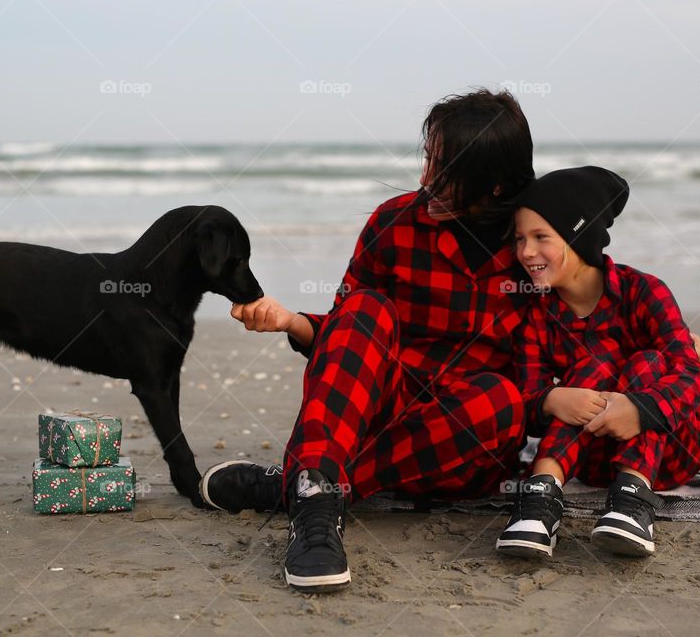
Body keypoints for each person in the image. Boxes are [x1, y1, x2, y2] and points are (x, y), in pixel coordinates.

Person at [201, 89, 538, 592]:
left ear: (494, 184)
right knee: (365, 307)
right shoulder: (395, 222)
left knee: (504, 400)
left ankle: (299, 485)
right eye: (428, 159)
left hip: (462, 443)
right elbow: (347, 337)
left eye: (445, 170)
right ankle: (316, 512)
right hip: (377, 410)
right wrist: (292, 322)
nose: (427, 180)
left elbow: (580, 330)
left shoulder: (536, 248)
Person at [495, 166, 700, 559]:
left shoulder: (643, 291)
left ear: (579, 235)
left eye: (542, 237)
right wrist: (550, 400)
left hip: (671, 449)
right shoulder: (537, 315)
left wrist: (639, 409)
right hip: (590, 455)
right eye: (520, 238)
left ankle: (632, 498)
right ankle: (540, 497)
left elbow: (691, 373)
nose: (526, 252)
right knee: (593, 366)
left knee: (645, 359)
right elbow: (524, 397)